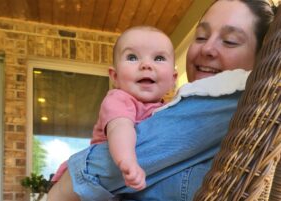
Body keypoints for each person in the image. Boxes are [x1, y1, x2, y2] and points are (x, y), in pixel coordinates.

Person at [47, 0, 274, 200]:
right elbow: (120, 131)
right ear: (114, 76)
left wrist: (72, 181)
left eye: (230, 41)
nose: (207, 48)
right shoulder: (125, 99)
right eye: (201, 36)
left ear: (262, 59)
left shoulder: (232, 101)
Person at [50, 26, 178, 191]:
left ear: (173, 79)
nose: (146, 65)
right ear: (115, 76)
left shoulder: (168, 108)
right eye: (132, 57)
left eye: (159, 58)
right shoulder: (118, 99)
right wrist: (127, 160)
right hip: (103, 178)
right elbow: (120, 127)